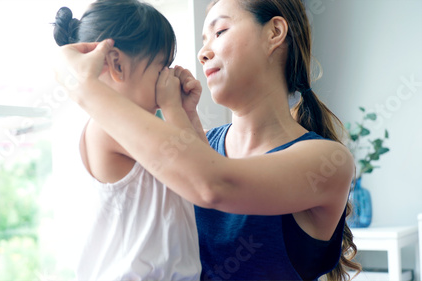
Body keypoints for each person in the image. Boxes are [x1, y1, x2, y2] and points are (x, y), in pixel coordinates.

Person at [55, 0, 363, 280]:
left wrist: (83, 86)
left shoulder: (326, 161)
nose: (203, 53)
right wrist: (183, 115)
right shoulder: (198, 147)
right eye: (203, 41)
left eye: (221, 31)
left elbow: (214, 184)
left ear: (275, 32)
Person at [52, 1, 202, 280]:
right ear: (117, 64)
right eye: (162, 66)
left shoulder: (145, 129)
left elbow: (208, 170)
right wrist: (173, 109)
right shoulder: (108, 129)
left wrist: (188, 112)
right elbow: (196, 170)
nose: (168, 76)